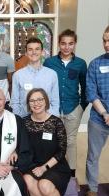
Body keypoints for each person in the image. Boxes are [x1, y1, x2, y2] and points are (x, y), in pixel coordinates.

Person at [44, 29, 88, 177]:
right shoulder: (49, 62)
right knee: (52, 141)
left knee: (70, 142)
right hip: (53, 109)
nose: (66, 47)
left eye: (70, 44)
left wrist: (81, 107)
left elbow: (86, 88)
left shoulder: (81, 64)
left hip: (72, 108)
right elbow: (45, 86)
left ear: (75, 44)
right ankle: (53, 173)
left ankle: (71, 176)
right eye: (63, 43)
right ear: (58, 44)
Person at [23, 88, 71, 196]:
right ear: (29, 104)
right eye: (32, 100)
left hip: (54, 165)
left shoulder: (56, 122)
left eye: (40, 99)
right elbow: (19, 144)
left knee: (44, 185)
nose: (36, 103)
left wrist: (44, 167)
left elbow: (62, 151)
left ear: (46, 101)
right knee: (27, 180)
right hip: (33, 165)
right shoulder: (24, 122)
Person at [85, 25, 109, 196]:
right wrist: (105, 114)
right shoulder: (96, 63)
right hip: (98, 119)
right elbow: (91, 93)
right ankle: (92, 189)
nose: (106, 44)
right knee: (93, 156)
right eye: (104, 40)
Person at [11, 37, 59, 118]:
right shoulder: (18, 75)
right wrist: (18, 119)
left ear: (42, 52)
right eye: (30, 49)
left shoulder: (52, 74)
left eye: (37, 49)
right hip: (24, 119)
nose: (34, 52)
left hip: (47, 120)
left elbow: (55, 101)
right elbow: (14, 102)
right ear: (26, 53)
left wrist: (52, 119)